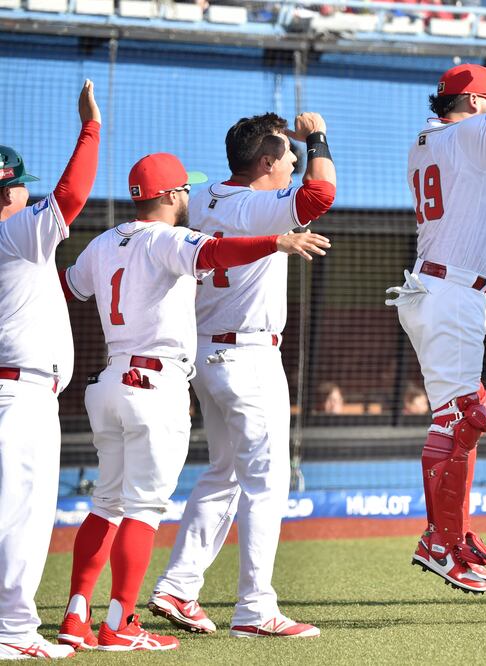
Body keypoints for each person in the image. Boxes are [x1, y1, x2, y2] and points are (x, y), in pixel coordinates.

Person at [56, 152, 331, 652]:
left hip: (111, 380)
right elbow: (217, 254)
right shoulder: (167, 238)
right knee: (142, 509)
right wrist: (278, 240)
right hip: (154, 385)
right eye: (182, 189)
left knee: (105, 504)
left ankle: (76, 616)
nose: (187, 196)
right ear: (166, 196)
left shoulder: (101, 242)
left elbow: (64, 287)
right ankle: (119, 624)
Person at [146, 113, 335, 639]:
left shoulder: (201, 197)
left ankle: (179, 586)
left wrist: (279, 137)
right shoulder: (257, 205)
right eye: (287, 156)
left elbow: (192, 195)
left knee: (223, 474)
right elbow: (320, 195)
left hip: (204, 351)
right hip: (247, 356)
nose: (295, 162)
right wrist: (317, 136)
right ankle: (255, 608)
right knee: (266, 482)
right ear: (268, 162)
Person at [385, 26, 486, 594]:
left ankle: (453, 532)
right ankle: (440, 539)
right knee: (464, 414)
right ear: (474, 103)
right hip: (449, 292)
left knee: (464, 412)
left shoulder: (429, 140)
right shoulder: (468, 135)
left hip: (445, 288)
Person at [0, 80, 100, 661]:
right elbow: (71, 194)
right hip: (20, 394)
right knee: (22, 517)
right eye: (17, 186)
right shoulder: (15, 234)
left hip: (15, 386)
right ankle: (13, 629)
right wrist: (91, 127)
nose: (25, 197)